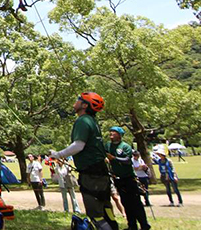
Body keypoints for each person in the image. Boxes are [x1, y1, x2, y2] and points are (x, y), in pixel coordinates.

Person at [50, 92, 119, 230]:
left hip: (91, 175)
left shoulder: (82, 121)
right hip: (101, 173)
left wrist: (58, 154)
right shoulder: (92, 121)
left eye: (79, 99)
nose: (75, 101)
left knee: (95, 215)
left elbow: (78, 145)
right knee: (106, 209)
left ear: (84, 105)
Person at [105, 126, 150, 230]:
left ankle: (144, 225)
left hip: (129, 178)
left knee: (135, 202)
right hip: (118, 179)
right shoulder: (107, 145)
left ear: (119, 135)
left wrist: (114, 158)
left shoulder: (125, 146)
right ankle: (132, 225)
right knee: (125, 202)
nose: (111, 133)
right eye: (110, 131)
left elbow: (127, 160)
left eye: (114, 132)